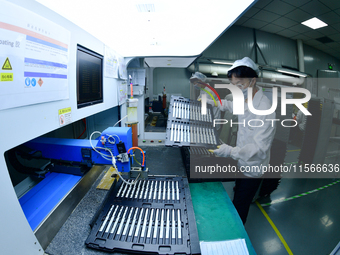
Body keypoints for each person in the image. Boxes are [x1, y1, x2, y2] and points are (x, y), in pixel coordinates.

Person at [207, 57, 276, 224]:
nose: (237, 89)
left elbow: (260, 149)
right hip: (240, 162)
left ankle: (238, 236)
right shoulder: (244, 99)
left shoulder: (265, 108)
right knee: (237, 194)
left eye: (240, 85)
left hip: (253, 168)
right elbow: (229, 105)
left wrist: (230, 151)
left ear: (252, 81)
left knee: (240, 205)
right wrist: (211, 102)